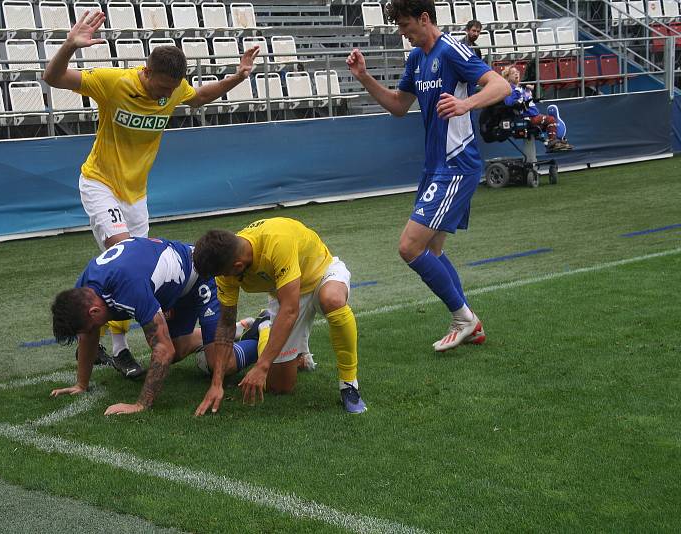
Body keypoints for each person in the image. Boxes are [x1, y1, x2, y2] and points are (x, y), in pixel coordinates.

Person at [43, 11, 260, 371]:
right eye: (161, 87)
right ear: (146, 72)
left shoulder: (173, 90)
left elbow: (201, 96)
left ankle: (140, 338)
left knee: (138, 271)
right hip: (100, 183)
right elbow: (53, 77)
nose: (166, 95)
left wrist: (237, 76)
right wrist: (69, 46)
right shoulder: (113, 82)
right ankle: (119, 347)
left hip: (136, 193)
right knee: (124, 252)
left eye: (172, 89)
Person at [346, 0, 511, 352]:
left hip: (455, 165)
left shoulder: (451, 49)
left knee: (409, 247)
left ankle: (463, 318)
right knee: (431, 252)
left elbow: (501, 86)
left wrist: (466, 104)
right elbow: (398, 106)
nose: (402, 34)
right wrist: (363, 77)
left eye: (405, 25)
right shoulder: (417, 58)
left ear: (424, 18)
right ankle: (471, 323)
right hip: (435, 167)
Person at [50, 237, 261, 415]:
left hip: (198, 276)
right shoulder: (84, 290)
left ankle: (260, 331)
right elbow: (88, 334)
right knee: (175, 350)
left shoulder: (128, 288)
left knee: (220, 365)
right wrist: (81, 384)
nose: (90, 334)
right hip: (171, 285)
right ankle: (235, 329)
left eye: (90, 327)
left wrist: (141, 404)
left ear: (94, 312)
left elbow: (163, 349)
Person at [192, 217, 367, 416]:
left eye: (223, 274)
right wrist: (217, 383)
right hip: (285, 295)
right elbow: (226, 324)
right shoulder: (228, 267)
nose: (221, 279)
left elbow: (290, 310)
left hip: (321, 275)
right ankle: (264, 326)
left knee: (332, 300)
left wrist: (261, 365)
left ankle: (349, 385)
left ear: (238, 266)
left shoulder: (276, 240)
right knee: (280, 387)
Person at [501, 66, 573, 152]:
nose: (516, 74)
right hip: (527, 118)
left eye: (517, 72)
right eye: (513, 73)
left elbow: (527, 101)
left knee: (550, 124)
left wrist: (531, 95)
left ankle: (554, 141)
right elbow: (508, 102)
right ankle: (552, 143)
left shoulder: (522, 88)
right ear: (507, 77)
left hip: (533, 116)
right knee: (551, 119)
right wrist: (517, 93)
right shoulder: (509, 89)